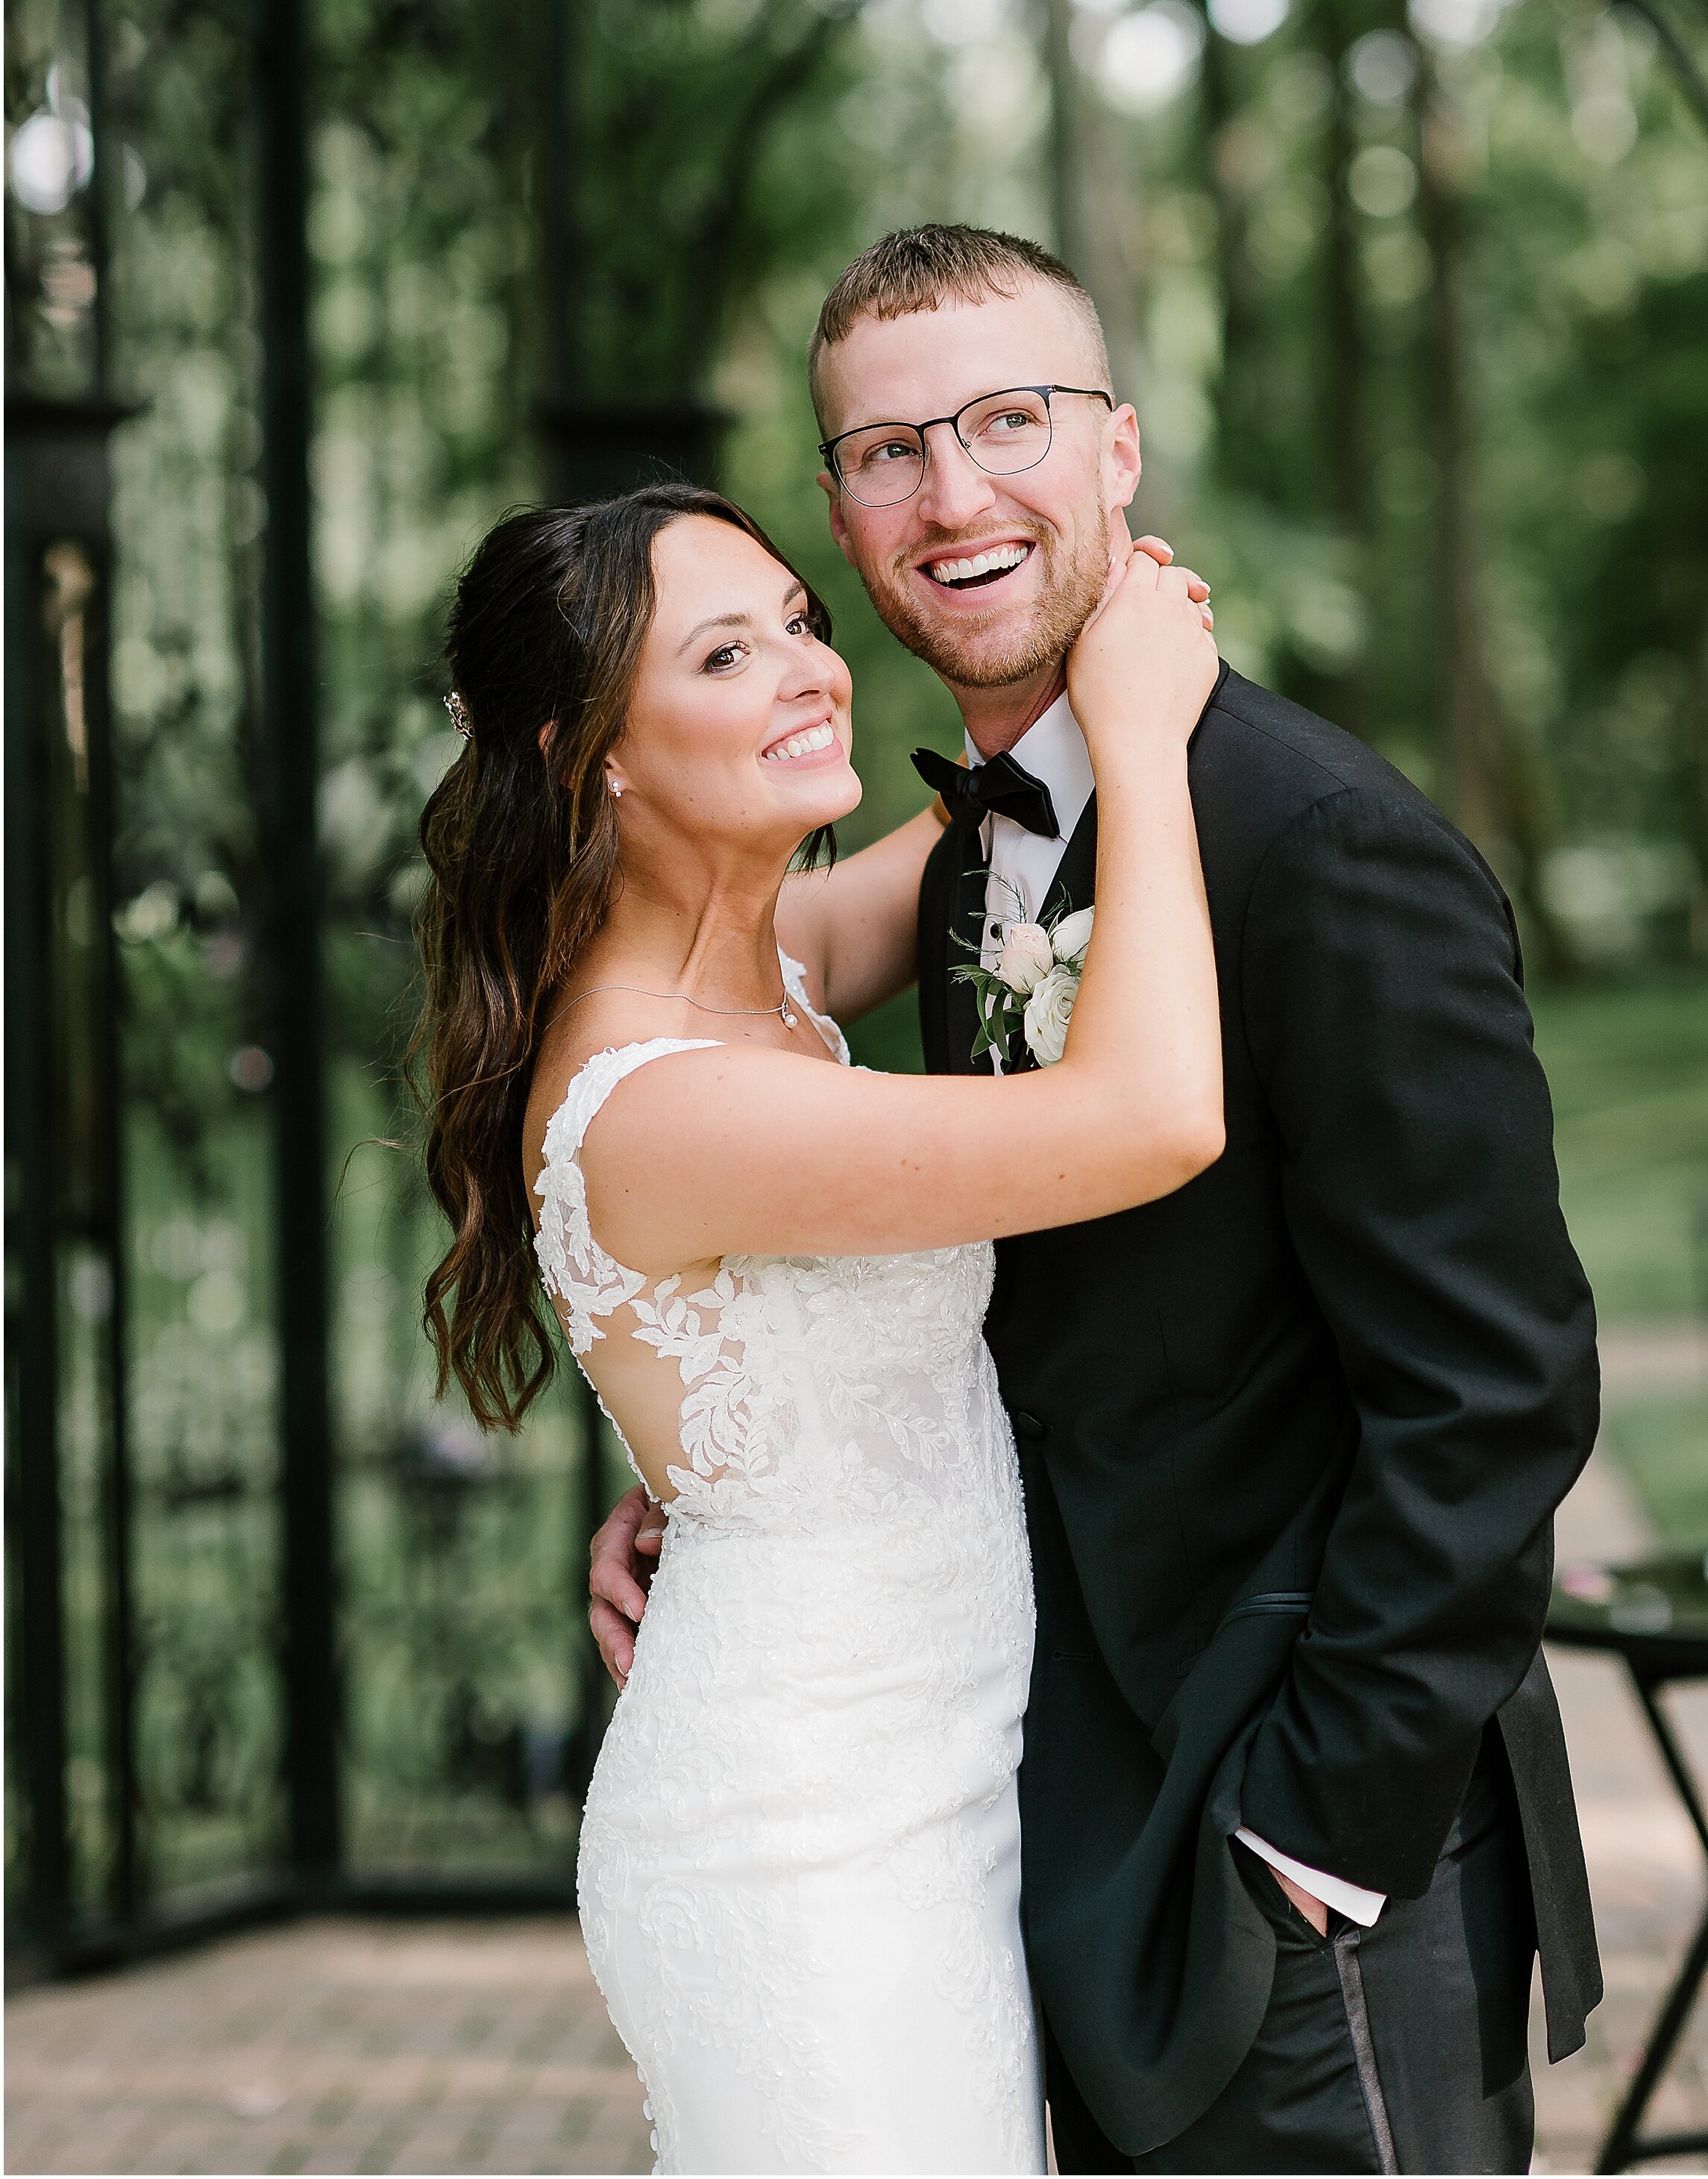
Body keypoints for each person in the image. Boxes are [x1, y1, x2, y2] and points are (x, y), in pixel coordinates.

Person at [591, 225, 1605, 2176]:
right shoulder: (973, 851)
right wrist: (727, 1459)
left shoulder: (1318, 850)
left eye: (1006, 420)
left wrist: (1313, 1835)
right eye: (887, 448)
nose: (951, 491)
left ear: (1117, 452)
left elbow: (1495, 1389)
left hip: (1296, 1851)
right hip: (1069, 1828)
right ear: (836, 508)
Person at [414, 480, 1223, 2175]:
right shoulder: (662, 1100)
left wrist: (1065, 614)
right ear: (597, 758)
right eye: (728, 652)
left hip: (930, 1788)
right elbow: (1151, 1114)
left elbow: (976, 815)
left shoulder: (760, 963)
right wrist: (1143, 746)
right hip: (805, 1847)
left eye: (802, 622)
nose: (809, 670)